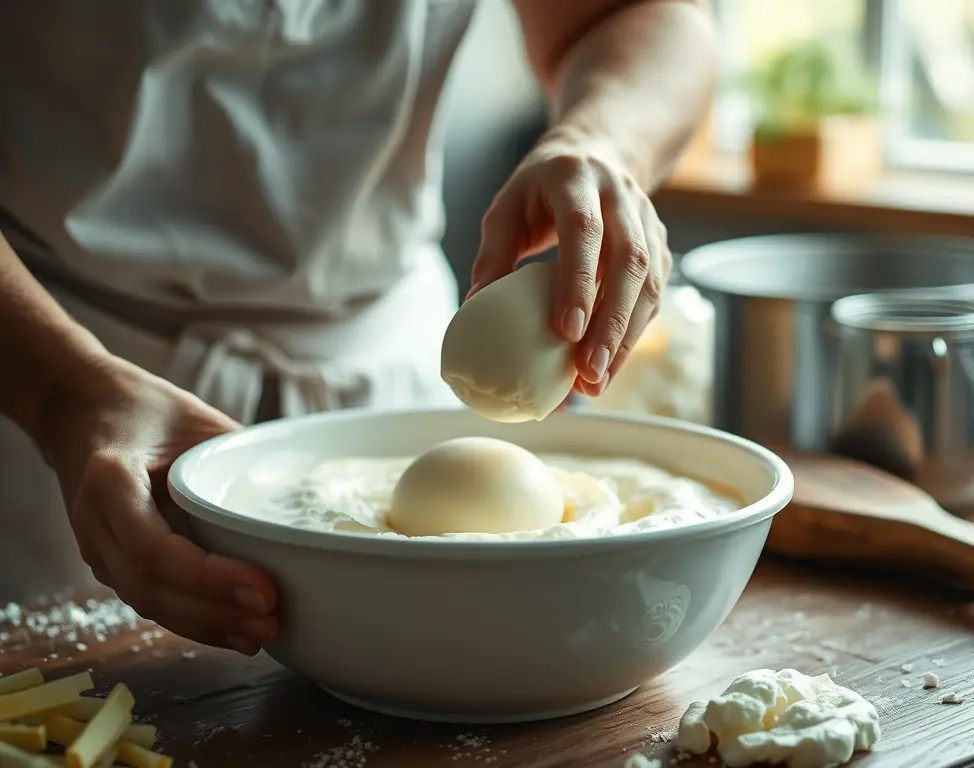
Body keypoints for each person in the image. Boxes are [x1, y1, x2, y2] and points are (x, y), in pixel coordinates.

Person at [0, 1, 717, 654]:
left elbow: (635, 16)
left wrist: (603, 139)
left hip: (390, 369)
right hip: (60, 369)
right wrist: (62, 392)